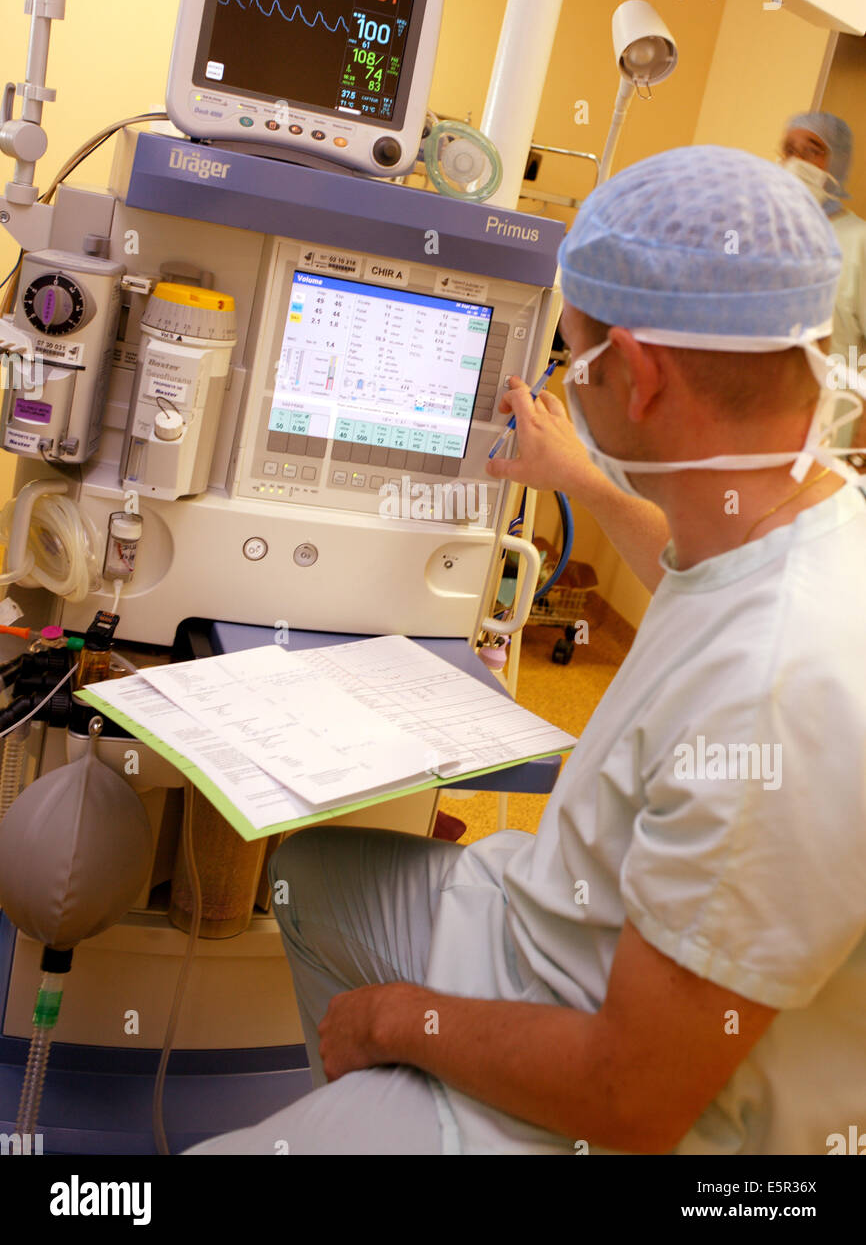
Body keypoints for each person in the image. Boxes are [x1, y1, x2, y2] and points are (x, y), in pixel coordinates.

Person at [186, 145, 866, 1156]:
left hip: (618, 1100)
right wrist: (580, 476)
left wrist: (394, 1020)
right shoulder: (788, 514)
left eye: (567, 353)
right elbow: (690, 569)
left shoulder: (780, 693)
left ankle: (427, 1110)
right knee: (313, 873)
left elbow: (629, 1097)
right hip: (548, 935)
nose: (558, 377)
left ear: (633, 375)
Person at [779, 111, 866, 450]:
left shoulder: (858, 240)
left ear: (838, 161)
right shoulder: (772, 237)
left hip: (832, 426)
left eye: (812, 149)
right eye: (789, 149)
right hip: (765, 419)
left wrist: (860, 452)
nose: (795, 161)